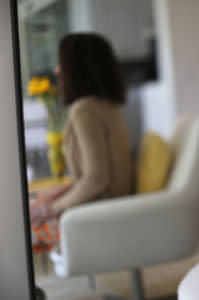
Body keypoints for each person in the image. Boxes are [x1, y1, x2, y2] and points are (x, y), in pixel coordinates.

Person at [30, 33, 134, 252]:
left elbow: (97, 178)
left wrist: (54, 208)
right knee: (38, 203)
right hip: (117, 200)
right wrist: (63, 190)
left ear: (76, 68)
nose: (57, 70)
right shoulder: (109, 106)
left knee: (27, 218)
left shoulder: (84, 110)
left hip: (103, 207)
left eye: (62, 63)